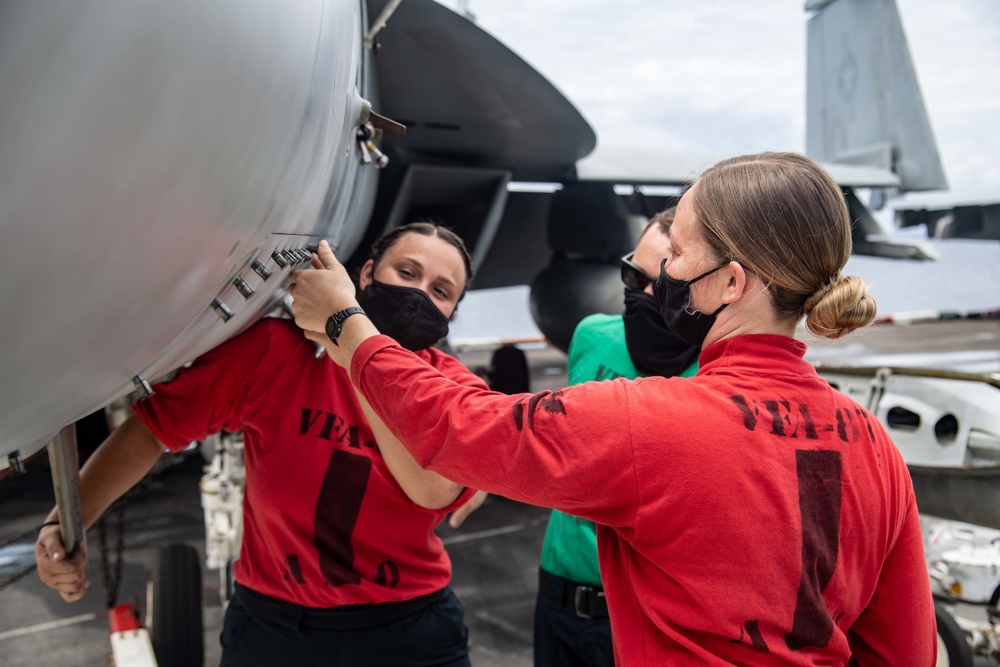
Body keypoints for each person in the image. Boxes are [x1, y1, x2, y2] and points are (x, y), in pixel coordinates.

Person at [289, 152, 937, 665]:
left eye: (678, 255)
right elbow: (905, 651)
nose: (661, 279)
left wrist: (348, 324)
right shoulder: (875, 445)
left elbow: (459, 423)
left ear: (732, 282)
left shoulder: (654, 420)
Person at [36, 222, 489, 667]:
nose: (418, 295)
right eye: (406, 273)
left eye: (441, 291)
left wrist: (350, 350)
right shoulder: (275, 353)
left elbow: (431, 490)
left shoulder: (455, 388)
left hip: (408, 631)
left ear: (451, 314)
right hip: (276, 630)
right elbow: (151, 429)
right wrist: (64, 526)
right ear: (366, 275)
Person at [534, 206, 699, 667]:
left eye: (662, 286)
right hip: (558, 596)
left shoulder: (717, 374)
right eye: (633, 277)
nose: (644, 296)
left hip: (647, 617)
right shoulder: (591, 336)